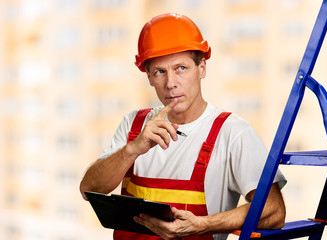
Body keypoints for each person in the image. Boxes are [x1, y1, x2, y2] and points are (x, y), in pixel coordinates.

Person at [80, 13, 287, 240]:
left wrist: (202, 225)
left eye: (181, 68)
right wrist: (132, 150)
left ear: (202, 68)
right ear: (149, 76)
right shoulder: (133, 124)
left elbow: (274, 211)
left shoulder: (232, 132)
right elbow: (89, 190)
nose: (171, 83)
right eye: (160, 71)